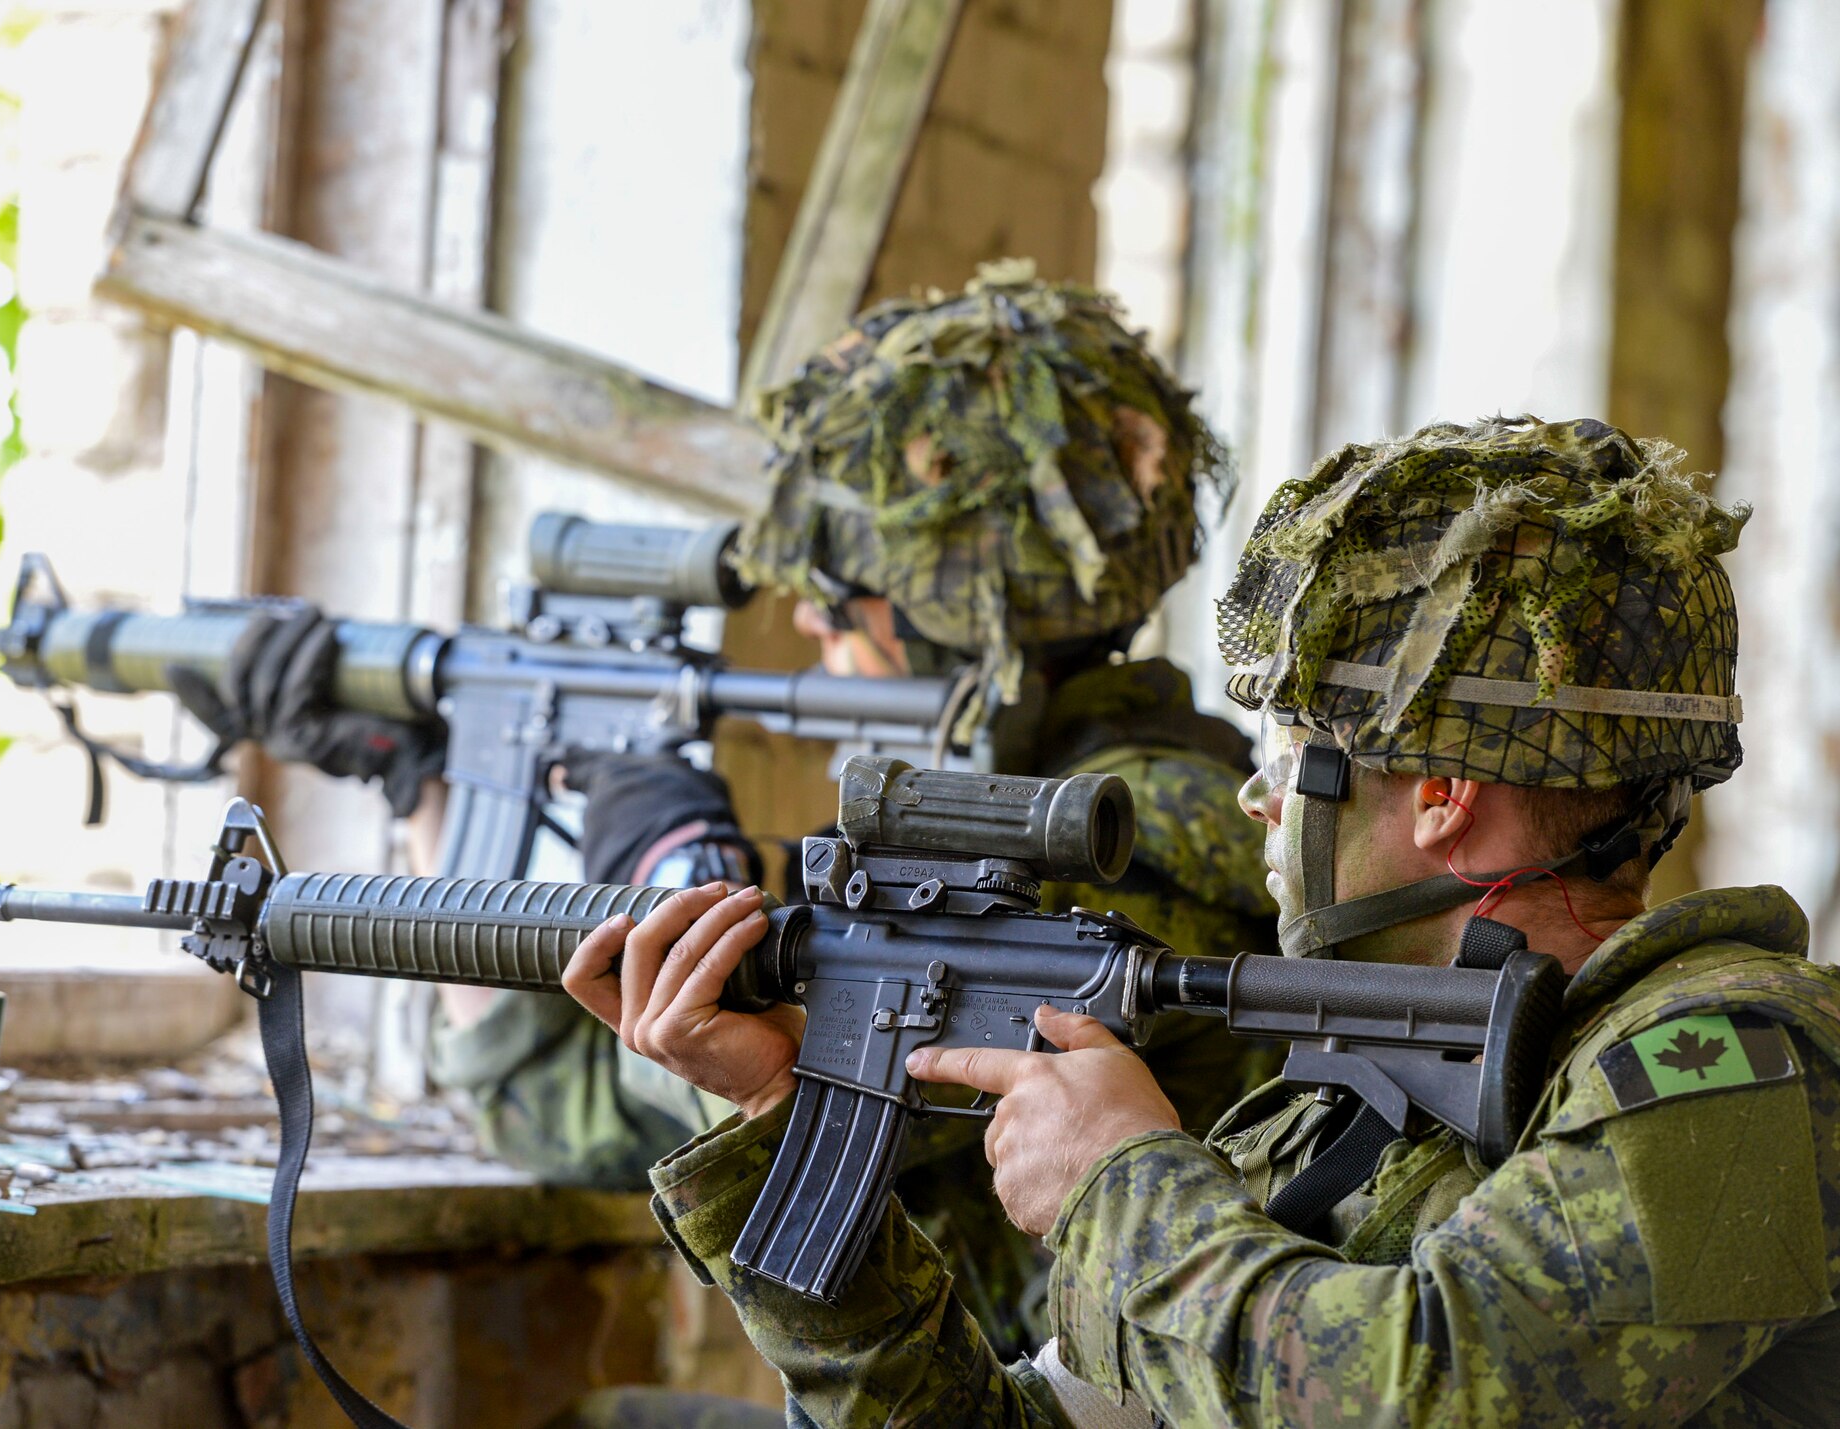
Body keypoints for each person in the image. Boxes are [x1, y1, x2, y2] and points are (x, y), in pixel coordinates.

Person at [568, 415, 1840, 1426]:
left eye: (1295, 759)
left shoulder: (1738, 1067)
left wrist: (1117, 1183)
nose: (1255, 794)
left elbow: (1440, 1394)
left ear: (1444, 800)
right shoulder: (1352, 1100)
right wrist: (776, 1120)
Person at [428, 260, 1281, 1362]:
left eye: (839, 602)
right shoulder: (1175, 785)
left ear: (950, 624)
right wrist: (441, 791)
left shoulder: (1048, 867)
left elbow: (598, 1112)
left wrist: (658, 855)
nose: (811, 627)